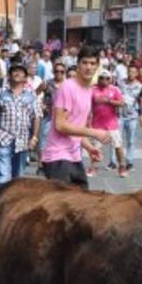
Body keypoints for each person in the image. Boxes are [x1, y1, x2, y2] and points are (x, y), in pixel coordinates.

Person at [39, 46, 111, 189]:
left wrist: (90, 148)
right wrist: (94, 133)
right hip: (58, 156)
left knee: (82, 203)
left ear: (97, 66)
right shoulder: (68, 87)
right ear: (78, 64)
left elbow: (75, 127)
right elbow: (60, 125)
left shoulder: (88, 90)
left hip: (74, 156)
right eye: (84, 63)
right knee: (67, 207)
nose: (88, 67)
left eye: (92, 64)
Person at [0, 63, 41, 184]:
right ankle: (1, 200)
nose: (17, 73)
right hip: (3, 138)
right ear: (9, 76)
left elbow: (37, 116)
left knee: (18, 177)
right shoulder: (0, 93)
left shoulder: (31, 95)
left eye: (20, 71)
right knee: (3, 176)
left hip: (22, 140)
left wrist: (34, 137)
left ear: (25, 78)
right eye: (14, 71)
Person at [89, 70, 127, 177]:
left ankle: (122, 167)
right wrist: (88, 121)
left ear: (110, 79)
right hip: (97, 124)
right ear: (98, 78)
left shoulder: (115, 89)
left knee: (118, 146)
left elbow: (122, 103)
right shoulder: (93, 89)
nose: (104, 80)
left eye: (107, 78)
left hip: (112, 124)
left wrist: (109, 101)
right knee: (95, 148)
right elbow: (88, 105)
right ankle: (93, 168)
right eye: (101, 78)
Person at [118, 64, 142, 172]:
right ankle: (114, 161)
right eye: (129, 71)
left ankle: (129, 162)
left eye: (134, 72)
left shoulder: (140, 86)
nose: (131, 74)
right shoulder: (120, 83)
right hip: (119, 114)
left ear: (137, 73)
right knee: (117, 139)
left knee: (131, 140)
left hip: (132, 116)